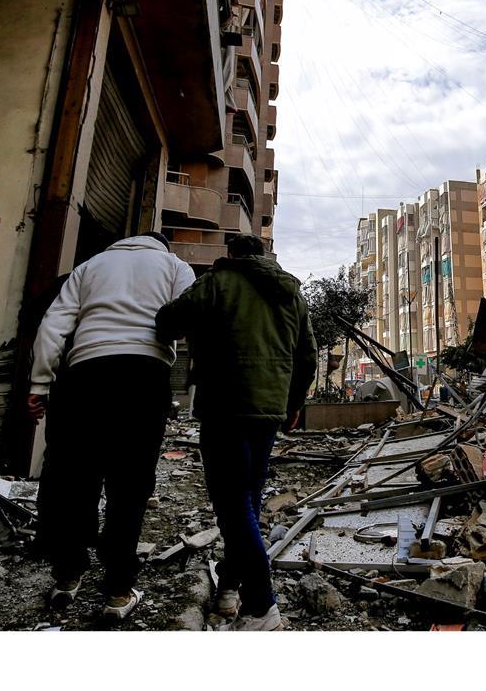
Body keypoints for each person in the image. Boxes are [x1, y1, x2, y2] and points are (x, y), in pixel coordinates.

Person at [27, 231, 195, 620]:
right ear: (162, 246)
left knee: (77, 479)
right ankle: (118, 590)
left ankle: (68, 575)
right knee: (131, 485)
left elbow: (53, 324)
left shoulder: (90, 266)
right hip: (144, 376)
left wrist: (39, 383)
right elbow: (191, 316)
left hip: (85, 373)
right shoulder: (175, 266)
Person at [156, 234, 316, 631]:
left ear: (231, 254)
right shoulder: (291, 293)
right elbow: (307, 356)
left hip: (224, 407)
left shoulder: (216, 282)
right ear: (263, 256)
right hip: (268, 411)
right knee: (246, 501)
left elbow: (168, 322)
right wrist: (293, 402)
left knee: (232, 505)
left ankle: (262, 606)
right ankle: (229, 584)